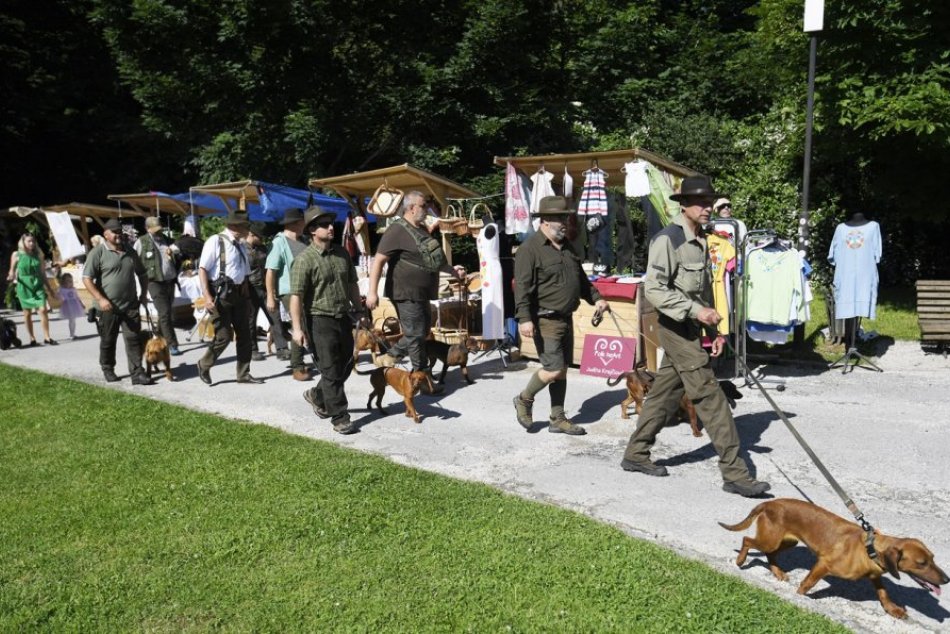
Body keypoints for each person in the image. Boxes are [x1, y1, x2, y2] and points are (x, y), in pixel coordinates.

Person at [620, 175, 770, 497]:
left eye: (709, 202)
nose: (707, 208)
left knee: (662, 395)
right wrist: (695, 312)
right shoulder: (667, 240)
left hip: (692, 327)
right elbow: (655, 290)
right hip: (674, 328)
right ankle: (735, 473)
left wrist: (712, 329)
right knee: (710, 396)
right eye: (701, 203)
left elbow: (703, 292)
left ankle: (635, 453)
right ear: (684, 205)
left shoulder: (702, 239)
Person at [511, 195, 610, 435]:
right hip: (544, 319)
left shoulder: (569, 248)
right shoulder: (529, 249)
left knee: (562, 369)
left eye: (566, 217)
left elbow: (582, 282)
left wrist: (597, 299)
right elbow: (522, 287)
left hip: (566, 318)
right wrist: (524, 318)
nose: (565, 222)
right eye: (559, 218)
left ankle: (557, 417)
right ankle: (524, 399)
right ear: (545, 220)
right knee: (553, 369)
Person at [365, 191, 464, 390]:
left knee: (421, 332)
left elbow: (434, 260)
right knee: (416, 334)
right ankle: (423, 379)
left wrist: (454, 271)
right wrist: (372, 292)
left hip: (422, 293)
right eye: (423, 205)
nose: (427, 208)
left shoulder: (420, 230)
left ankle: (391, 356)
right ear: (411, 208)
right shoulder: (396, 230)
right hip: (405, 292)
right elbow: (379, 260)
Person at [290, 206, 363, 435]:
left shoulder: (342, 254)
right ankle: (340, 417)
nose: (331, 227)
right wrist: (297, 328)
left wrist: (360, 311)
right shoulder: (304, 260)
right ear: (312, 230)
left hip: (343, 317)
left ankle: (317, 395)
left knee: (346, 365)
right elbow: (296, 296)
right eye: (324, 225)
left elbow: (352, 285)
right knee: (330, 369)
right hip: (319, 320)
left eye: (331, 223)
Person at [195, 210, 262, 386]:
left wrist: (247, 300)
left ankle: (243, 374)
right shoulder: (215, 241)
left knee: (245, 336)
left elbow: (245, 275)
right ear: (234, 226)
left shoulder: (240, 245)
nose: (248, 229)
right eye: (245, 226)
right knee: (224, 336)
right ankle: (204, 364)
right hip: (221, 296)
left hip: (239, 295)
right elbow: (202, 269)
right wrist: (207, 296)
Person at [82, 219, 152, 384]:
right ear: (106, 234)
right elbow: (86, 279)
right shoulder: (97, 253)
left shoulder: (130, 250)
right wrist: (100, 299)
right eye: (114, 232)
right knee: (108, 340)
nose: (118, 234)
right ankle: (108, 368)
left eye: (120, 231)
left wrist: (143, 295)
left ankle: (137, 373)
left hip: (130, 305)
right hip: (107, 307)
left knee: (134, 339)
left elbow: (142, 273)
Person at [265, 207, 309, 378]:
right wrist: (270, 296)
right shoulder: (279, 242)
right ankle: (297, 367)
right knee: (300, 325)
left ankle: (304, 359)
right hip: (289, 291)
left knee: (308, 323)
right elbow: (270, 270)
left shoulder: (303, 240)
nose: (305, 223)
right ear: (296, 223)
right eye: (303, 220)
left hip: (305, 289)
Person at [133, 216, 182, 355]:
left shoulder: (167, 240)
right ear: (147, 228)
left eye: (159, 229)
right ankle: (172, 344)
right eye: (154, 230)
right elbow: (133, 260)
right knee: (165, 313)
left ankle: (159, 339)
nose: (157, 232)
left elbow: (178, 252)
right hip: (154, 282)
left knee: (164, 314)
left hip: (170, 281)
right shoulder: (141, 242)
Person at [7, 232, 58, 346]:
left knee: (43, 310)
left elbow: (43, 273)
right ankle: (32, 338)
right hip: (24, 286)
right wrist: (11, 276)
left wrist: (50, 289)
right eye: (29, 241)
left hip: (37, 284)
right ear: (23, 242)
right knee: (27, 313)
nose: (31, 243)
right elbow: (11, 271)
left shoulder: (38, 255)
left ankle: (47, 337)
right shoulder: (16, 254)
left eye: (33, 241)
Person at [243, 224, 271, 362]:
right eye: (260, 237)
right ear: (251, 235)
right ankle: (253, 349)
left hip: (265, 287)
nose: (262, 239)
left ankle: (282, 347)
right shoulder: (242, 248)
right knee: (250, 320)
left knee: (274, 315)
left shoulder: (263, 248)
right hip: (250, 288)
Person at [57, 272, 86, 339]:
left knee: (73, 320)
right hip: (67, 306)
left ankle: (72, 333)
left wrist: (81, 304)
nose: (69, 283)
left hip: (74, 306)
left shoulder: (73, 289)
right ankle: (71, 334)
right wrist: (60, 298)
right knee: (71, 320)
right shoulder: (62, 289)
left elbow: (77, 297)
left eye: (70, 281)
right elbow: (58, 296)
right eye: (66, 281)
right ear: (63, 282)